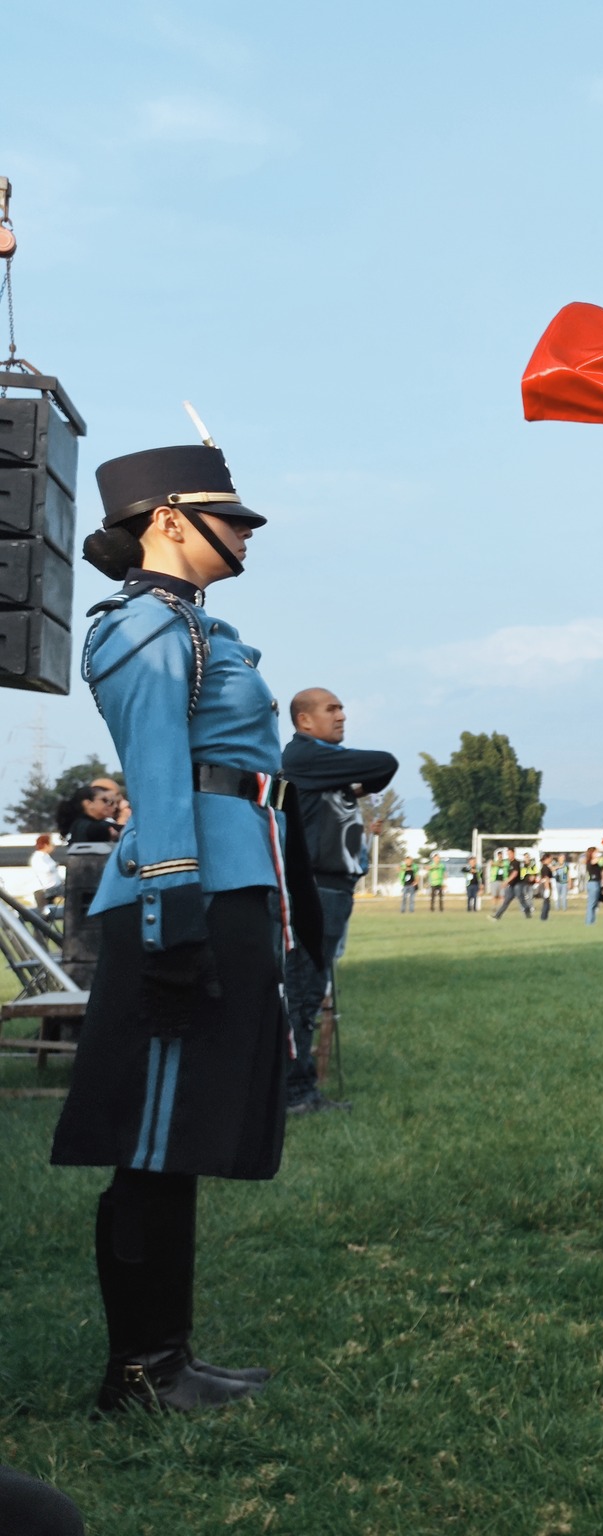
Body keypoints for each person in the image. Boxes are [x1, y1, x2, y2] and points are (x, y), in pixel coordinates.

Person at [52, 439, 309, 1412]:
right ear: (167, 519)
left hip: (223, 880)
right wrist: (173, 913)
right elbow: (158, 771)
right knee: (151, 1134)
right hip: (183, 891)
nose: (246, 530)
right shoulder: (147, 627)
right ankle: (141, 1373)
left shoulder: (192, 625)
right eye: (228, 514)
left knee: (178, 1131)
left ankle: (169, 1358)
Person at [279, 686, 399, 1117]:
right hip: (316, 888)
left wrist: (350, 780)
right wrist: (352, 778)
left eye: (342, 708)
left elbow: (379, 776)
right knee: (302, 991)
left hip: (331, 889)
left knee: (309, 990)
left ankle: (298, 1087)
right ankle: (294, 1093)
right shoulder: (304, 758)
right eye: (332, 709)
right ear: (304, 720)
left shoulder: (321, 765)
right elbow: (386, 764)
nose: (342, 715)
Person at [57, 780, 122, 845]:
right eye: (104, 800)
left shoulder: (79, 824)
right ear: (88, 803)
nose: (108, 804)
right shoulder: (93, 828)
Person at [584, 848, 603, 924]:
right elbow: (594, 861)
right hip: (592, 883)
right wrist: (599, 857)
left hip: (598, 882)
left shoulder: (599, 861)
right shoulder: (589, 861)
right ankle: (589, 922)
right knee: (591, 903)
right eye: (595, 852)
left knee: (595, 904)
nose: (597, 853)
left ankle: (592, 921)